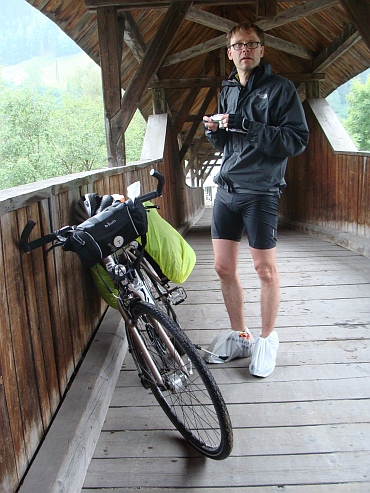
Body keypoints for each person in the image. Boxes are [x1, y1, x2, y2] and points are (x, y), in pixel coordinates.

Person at [203, 22, 309, 377]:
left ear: (262, 50)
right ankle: (241, 335)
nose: (245, 49)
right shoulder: (228, 89)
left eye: (252, 44)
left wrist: (246, 124)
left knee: (265, 270)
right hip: (228, 189)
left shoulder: (280, 90)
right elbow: (227, 144)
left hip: (261, 191)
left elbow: (296, 139)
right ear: (229, 53)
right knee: (223, 268)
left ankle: (266, 340)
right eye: (238, 45)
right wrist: (213, 131)